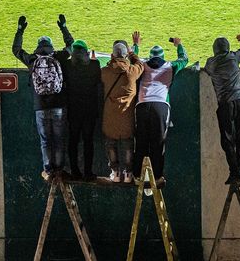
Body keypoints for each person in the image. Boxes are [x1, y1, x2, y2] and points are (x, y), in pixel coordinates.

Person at [12, 15, 74, 181]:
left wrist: (20, 31)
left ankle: (48, 170)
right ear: (51, 46)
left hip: (40, 106)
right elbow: (71, 46)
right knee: (59, 140)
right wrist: (64, 27)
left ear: (38, 47)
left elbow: (16, 50)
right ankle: (60, 171)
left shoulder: (32, 60)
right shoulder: (58, 57)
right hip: (59, 106)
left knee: (45, 141)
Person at [132, 32, 189, 188]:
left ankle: (137, 176)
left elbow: (132, 58)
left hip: (142, 105)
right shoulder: (170, 66)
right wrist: (179, 45)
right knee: (158, 143)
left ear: (150, 56)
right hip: (161, 107)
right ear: (163, 56)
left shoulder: (143, 64)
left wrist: (136, 45)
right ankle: (156, 177)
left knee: (141, 142)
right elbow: (184, 59)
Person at [203, 34, 240, 185]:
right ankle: (239, 169)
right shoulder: (233, 57)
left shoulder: (211, 63)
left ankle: (234, 172)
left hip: (225, 105)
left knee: (227, 140)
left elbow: (207, 69)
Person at [101, 40, 143, 183]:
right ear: (125, 55)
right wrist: (132, 52)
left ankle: (115, 172)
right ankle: (128, 173)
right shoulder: (132, 72)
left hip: (109, 116)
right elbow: (140, 64)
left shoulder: (105, 72)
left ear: (112, 55)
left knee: (111, 143)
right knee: (127, 144)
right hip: (127, 116)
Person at [60, 40, 102, 181]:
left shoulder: (67, 65)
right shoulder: (94, 65)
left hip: (74, 110)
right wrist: (93, 60)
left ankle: (75, 171)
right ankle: (88, 172)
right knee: (88, 141)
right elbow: (98, 81)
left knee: (73, 141)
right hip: (89, 110)